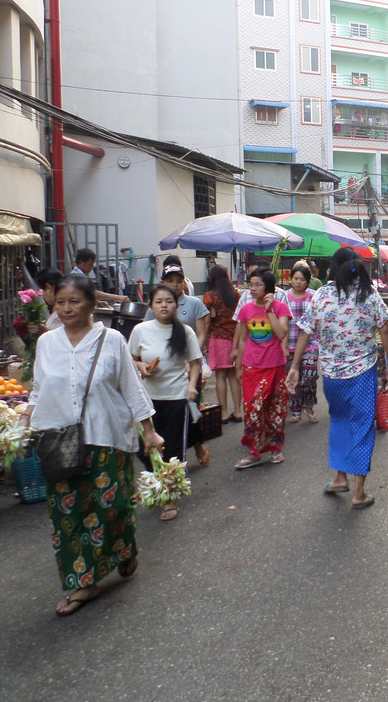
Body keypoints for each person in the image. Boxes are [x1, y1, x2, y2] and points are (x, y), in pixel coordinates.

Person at [21, 275, 163, 617]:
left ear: (91, 305)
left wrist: (149, 431)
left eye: (74, 302)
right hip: (60, 440)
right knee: (69, 513)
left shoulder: (111, 340)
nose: (66, 309)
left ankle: (124, 549)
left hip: (107, 435)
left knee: (112, 505)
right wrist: (23, 422)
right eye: (60, 302)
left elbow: (131, 387)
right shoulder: (47, 343)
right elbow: (39, 389)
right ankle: (84, 581)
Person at [288, 246, 388, 509]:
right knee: (362, 427)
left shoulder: (321, 295)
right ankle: (358, 493)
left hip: (332, 375)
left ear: (332, 268)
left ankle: (340, 478)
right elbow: (385, 329)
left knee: (339, 422)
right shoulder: (368, 294)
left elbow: (305, 331)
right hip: (362, 372)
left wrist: (294, 366)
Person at [129, 284, 205, 521]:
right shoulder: (140, 330)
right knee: (146, 451)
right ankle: (157, 483)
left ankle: (169, 497)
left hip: (176, 398)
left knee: (172, 449)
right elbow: (130, 359)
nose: (164, 305)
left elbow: (195, 362)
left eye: (169, 301)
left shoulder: (186, 332)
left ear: (176, 305)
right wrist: (141, 366)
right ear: (151, 306)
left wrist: (191, 385)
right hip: (147, 401)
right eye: (159, 301)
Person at [232, 268, 291, 469]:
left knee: (275, 408)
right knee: (252, 409)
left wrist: (269, 310)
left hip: (275, 366)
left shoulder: (281, 307)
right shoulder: (245, 309)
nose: (253, 289)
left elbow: (281, 333)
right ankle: (254, 452)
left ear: (268, 288)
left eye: (258, 285)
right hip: (251, 367)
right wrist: (239, 367)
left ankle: (275, 450)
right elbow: (242, 339)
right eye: (251, 284)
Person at [144, 263, 210, 362]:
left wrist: (193, 356)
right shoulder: (156, 306)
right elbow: (146, 334)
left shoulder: (194, 303)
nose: (175, 285)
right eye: (170, 281)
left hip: (188, 360)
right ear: (162, 283)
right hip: (160, 361)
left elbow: (201, 335)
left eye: (179, 281)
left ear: (184, 283)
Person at [203, 264, 243, 424]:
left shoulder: (209, 296)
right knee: (233, 375)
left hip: (218, 338)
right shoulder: (236, 294)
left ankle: (224, 414)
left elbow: (206, 321)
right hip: (235, 339)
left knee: (220, 376)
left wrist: (204, 341)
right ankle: (238, 411)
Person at [286, 263, 319, 424]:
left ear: (307, 282)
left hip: (310, 343)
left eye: (302, 279)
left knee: (309, 375)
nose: (298, 282)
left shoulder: (314, 296)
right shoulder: (284, 297)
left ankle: (309, 405)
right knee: (293, 379)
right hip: (290, 343)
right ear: (291, 279)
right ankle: (295, 410)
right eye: (296, 278)